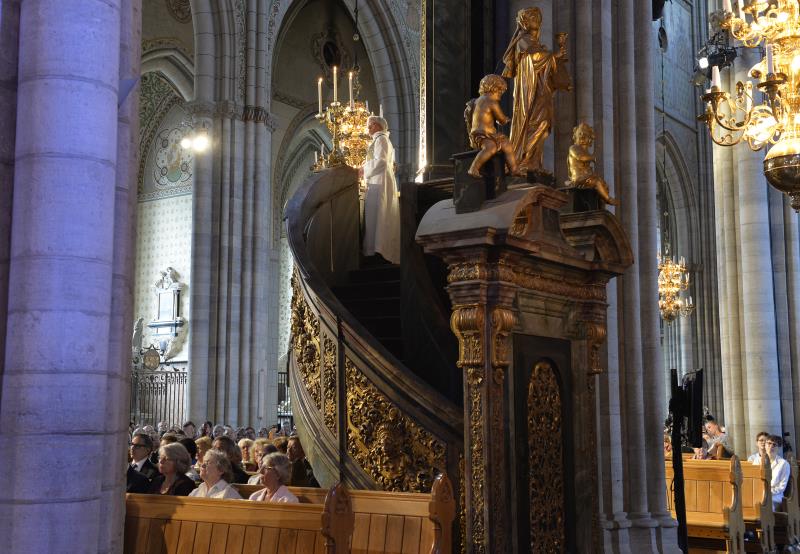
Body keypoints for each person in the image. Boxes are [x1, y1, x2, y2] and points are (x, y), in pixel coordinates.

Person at [501, 7, 570, 173]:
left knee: (545, 124)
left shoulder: (537, 44)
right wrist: (554, 56)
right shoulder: (522, 40)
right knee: (535, 122)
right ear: (524, 22)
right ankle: (523, 160)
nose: (537, 20)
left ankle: (534, 163)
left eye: (538, 17)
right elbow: (534, 58)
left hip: (541, 89)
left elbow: (543, 61)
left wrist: (555, 59)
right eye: (532, 17)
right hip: (529, 92)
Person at [358, 115, 400, 265]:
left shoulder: (381, 139)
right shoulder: (380, 139)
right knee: (376, 215)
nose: (368, 129)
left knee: (378, 214)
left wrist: (363, 170)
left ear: (377, 126)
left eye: (370, 125)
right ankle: (375, 249)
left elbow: (380, 161)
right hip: (378, 180)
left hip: (380, 181)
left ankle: (378, 250)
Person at [465, 74, 520, 178]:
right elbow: (501, 119)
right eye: (500, 91)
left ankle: (514, 169)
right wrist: (506, 119)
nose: (500, 95)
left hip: (482, 134)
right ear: (493, 89)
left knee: (507, 145)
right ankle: (474, 168)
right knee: (491, 148)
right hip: (484, 135)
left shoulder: (478, 100)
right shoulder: (491, 101)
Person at [566, 123, 618, 205]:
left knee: (602, 183)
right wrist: (592, 158)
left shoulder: (585, 151)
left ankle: (601, 201)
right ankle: (608, 199)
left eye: (585, 135)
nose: (582, 137)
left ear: (590, 139)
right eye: (580, 134)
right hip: (578, 177)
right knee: (597, 182)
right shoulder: (573, 148)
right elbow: (581, 157)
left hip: (585, 175)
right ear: (575, 136)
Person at [767, 435, 790, 510]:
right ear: (765, 445)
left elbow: (781, 487)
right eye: (769, 443)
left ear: (779, 448)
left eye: (774, 445)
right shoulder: (758, 461)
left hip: (775, 496)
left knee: (766, 502)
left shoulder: (784, 464)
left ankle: (768, 521)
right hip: (759, 493)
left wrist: (767, 492)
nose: (771, 446)